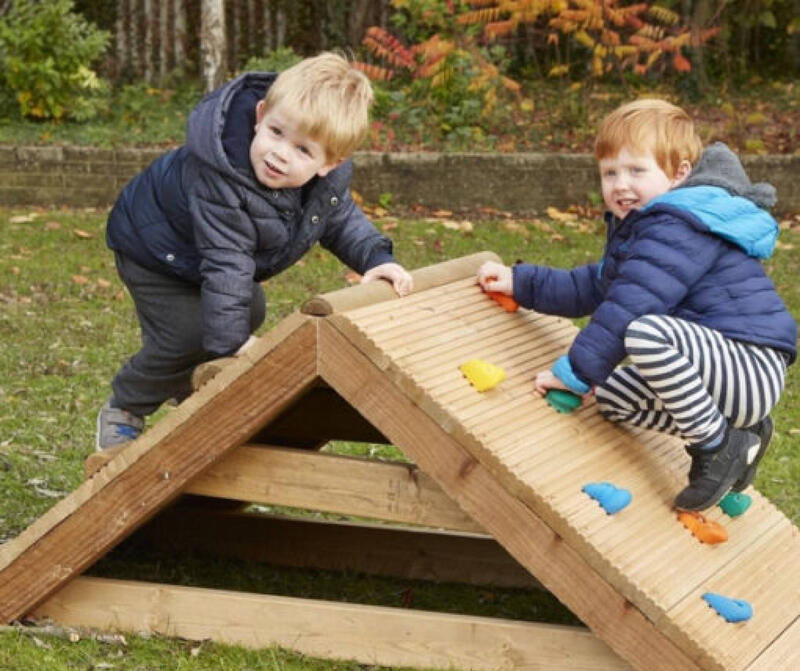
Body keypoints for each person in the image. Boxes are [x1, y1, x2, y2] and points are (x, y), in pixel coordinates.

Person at [477, 99, 796, 511]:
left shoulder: (680, 226)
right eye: (610, 173)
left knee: (643, 331)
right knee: (610, 397)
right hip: (723, 375)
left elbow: (630, 306)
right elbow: (591, 287)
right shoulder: (648, 227)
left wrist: (576, 375)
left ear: (678, 174)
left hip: (748, 363)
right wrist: (521, 282)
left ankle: (716, 445)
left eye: (636, 171)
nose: (620, 184)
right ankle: (739, 433)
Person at [97, 52, 412, 449]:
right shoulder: (221, 179)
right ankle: (126, 405)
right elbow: (226, 260)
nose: (280, 153)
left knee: (249, 309)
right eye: (276, 132)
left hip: (199, 254)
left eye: (303, 150)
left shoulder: (323, 185)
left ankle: (186, 382)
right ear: (260, 116)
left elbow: (342, 221)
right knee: (186, 334)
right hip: (152, 249)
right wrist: (235, 345)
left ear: (330, 164)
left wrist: (377, 259)